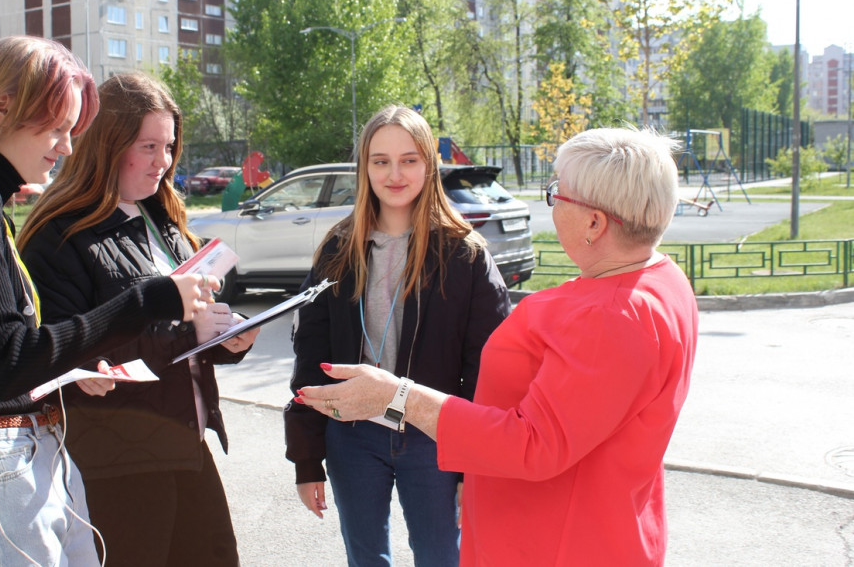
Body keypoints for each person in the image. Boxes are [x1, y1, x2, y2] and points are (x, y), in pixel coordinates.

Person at [296, 126, 699, 566]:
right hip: (586, 526)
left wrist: (400, 398)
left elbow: (534, 444)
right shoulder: (656, 280)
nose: (552, 203)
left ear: (595, 222)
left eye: (556, 194)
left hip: (561, 542)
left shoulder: (613, 314)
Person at [0, 36, 216, 567]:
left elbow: (8, 356)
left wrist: (77, 364)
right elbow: (7, 364)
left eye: (72, 130)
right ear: (2, 109)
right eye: (57, 127)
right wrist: (147, 300)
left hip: (18, 456)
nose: (67, 146)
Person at [17, 72, 258, 567]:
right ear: (106, 145)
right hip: (117, 458)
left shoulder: (161, 219)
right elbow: (68, 354)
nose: (163, 162)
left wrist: (227, 336)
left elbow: (184, 323)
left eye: (168, 146)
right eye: (148, 146)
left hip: (184, 442)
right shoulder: (59, 236)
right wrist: (190, 331)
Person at [284, 105, 511, 566]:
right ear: (364, 167)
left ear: (429, 164)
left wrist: (477, 464)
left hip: (435, 436)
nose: (394, 174)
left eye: (409, 159)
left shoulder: (464, 254)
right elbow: (310, 355)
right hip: (353, 437)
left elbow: (487, 366)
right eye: (380, 161)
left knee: (441, 558)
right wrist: (307, 458)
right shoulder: (337, 248)